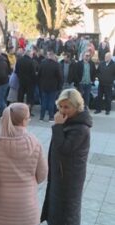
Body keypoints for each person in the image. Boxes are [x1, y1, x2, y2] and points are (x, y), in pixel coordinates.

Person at [0, 103, 47, 225]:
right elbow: (42, 175)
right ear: (24, 121)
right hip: (26, 204)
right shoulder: (35, 142)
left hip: (0, 203)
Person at [41, 88, 92, 225]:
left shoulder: (81, 128)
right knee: (57, 209)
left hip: (69, 178)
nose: (63, 110)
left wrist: (57, 127)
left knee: (67, 212)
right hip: (61, 174)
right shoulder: (69, 121)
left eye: (67, 107)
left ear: (76, 107)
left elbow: (64, 149)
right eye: (61, 106)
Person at [38, 51, 63, 121]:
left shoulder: (42, 64)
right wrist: (59, 86)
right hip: (53, 87)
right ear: (53, 56)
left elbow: (39, 75)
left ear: (48, 56)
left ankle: (41, 117)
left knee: (44, 102)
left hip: (43, 86)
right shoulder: (56, 65)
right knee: (51, 102)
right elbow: (60, 77)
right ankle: (51, 117)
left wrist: (40, 84)